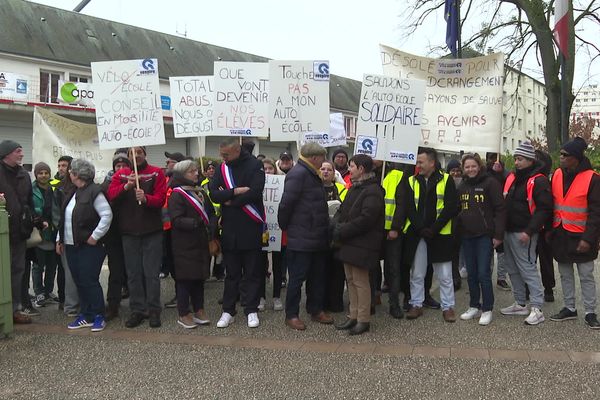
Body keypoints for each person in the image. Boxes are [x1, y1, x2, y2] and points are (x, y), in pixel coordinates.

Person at [108, 146, 167, 328]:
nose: (136, 156)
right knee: (133, 274)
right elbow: (111, 195)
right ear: (128, 156)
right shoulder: (121, 175)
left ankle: (154, 309)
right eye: (132, 154)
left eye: (139, 152)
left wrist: (147, 198)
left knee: (151, 274)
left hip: (152, 231)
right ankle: (138, 310)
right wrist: (127, 186)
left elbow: (161, 199)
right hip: (129, 232)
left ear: (145, 154)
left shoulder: (156, 173)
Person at [209, 138, 265, 329]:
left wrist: (232, 201)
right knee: (231, 273)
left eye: (226, 154)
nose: (222, 157)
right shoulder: (221, 168)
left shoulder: (255, 165)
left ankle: (251, 309)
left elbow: (256, 192)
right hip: (230, 229)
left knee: (252, 273)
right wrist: (235, 191)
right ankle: (228, 310)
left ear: (237, 150)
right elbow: (213, 193)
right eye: (221, 154)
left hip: (250, 227)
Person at [278, 142, 332, 331]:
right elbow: (286, 205)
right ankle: (291, 315)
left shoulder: (311, 173)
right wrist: (287, 227)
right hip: (301, 236)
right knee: (297, 278)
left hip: (316, 235)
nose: (324, 162)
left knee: (317, 277)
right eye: (323, 158)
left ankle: (315, 309)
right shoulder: (298, 174)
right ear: (315, 158)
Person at [548, 137, 600, 329]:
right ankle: (569, 308)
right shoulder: (557, 175)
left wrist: (588, 238)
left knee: (586, 275)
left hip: (582, 235)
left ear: (576, 158)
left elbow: (596, 213)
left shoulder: (593, 179)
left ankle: (590, 312)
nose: (560, 158)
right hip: (561, 233)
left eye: (565, 155)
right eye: (561, 154)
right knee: (565, 273)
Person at [500, 141, 552, 325]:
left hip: (524, 233)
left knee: (527, 268)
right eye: (515, 158)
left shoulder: (539, 180)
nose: (516, 162)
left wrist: (530, 231)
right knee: (512, 269)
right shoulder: (514, 177)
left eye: (520, 159)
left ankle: (537, 308)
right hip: (509, 231)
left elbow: (544, 209)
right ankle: (521, 303)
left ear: (530, 160)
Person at [403, 147, 458, 322]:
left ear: (432, 163)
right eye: (417, 162)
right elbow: (409, 207)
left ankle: (448, 307)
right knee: (417, 273)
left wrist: (433, 229)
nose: (417, 165)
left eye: (421, 162)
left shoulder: (447, 180)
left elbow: (451, 207)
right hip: (418, 234)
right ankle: (416, 304)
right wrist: (421, 228)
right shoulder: (411, 181)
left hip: (440, 234)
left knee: (445, 274)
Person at [56, 159, 112, 332]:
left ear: (77, 174)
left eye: (71, 171)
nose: (69, 173)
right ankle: (86, 314)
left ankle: (98, 315)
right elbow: (64, 218)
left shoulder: (94, 192)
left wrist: (95, 236)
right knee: (79, 280)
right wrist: (60, 239)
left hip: (89, 246)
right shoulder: (72, 192)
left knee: (89, 280)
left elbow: (107, 215)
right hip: (71, 245)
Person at [334, 155, 385, 335]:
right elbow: (343, 210)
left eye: (352, 166)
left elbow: (367, 219)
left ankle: (363, 319)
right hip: (350, 241)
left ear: (362, 169)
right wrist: (335, 224)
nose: (350, 169)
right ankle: (353, 315)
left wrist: (342, 229)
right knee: (351, 280)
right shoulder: (356, 187)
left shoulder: (373, 190)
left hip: (363, 242)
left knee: (361, 282)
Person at [456, 154, 506, 326]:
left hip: (484, 236)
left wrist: (498, 235)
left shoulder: (490, 183)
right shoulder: (461, 185)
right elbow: (457, 210)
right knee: (471, 274)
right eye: (467, 167)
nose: (470, 169)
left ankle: (487, 308)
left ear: (479, 166)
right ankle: (473, 305)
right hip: (467, 236)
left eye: (473, 166)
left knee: (484, 273)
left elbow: (500, 210)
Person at [168, 160, 218, 329]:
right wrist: (197, 223)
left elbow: (210, 212)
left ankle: (199, 309)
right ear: (182, 174)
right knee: (185, 279)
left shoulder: (200, 191)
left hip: (201, 241)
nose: (196, 174)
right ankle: (183, 313)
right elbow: (176, 219)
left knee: (199, 278)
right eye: (192, 171)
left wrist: (212, 223)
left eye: (196, 170)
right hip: (184, 243)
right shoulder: (177, 194)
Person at [0, 140, 36, 324]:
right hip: (1, 233)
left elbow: (29, 202)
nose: (22, 154)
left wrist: (35, 219)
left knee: (17, 272)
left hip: (19, 233)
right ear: (6, 154)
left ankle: (14, 310)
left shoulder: (24, 175)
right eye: (18, 151)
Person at [100, 152, 131, 321]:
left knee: (134, 269)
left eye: (123, 166)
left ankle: (139, 302)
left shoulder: (136, 182)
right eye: (117, 166)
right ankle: (113, 304)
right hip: (114, 234)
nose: (120, 169)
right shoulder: (106, 185)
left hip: (132, 231)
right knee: (116, 270)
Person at [50, 155, 79, 317]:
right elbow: (56, 214)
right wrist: (59, 235)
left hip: (77, 236)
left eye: (65, 166)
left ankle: (77, 301)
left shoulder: (78, 186)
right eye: (59, 165)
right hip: (62, 235)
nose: (61, 168)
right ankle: (66, 301)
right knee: (64, 270)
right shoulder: (57, 187)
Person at [31, 162, 59, 307]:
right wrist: (39, 220)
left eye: (46, 172)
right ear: (36, 174)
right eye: (40, 173)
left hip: (54, 232)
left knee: (52, 265)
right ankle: (39, 293)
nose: (43, 175)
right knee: (38, 265)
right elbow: (29, 207)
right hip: (39, 231)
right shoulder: (31, 188)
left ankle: (48, 291)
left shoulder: (56, 185)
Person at [320, 160, 346, 313]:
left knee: (337, 272)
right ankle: (320, 303)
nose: (325, 172)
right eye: (322, 169)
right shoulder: (313, 188)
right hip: (320, 235)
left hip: (337, 236)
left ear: (334, 173)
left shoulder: (342, 189)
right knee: (320, 271)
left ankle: (336, 303)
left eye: (329, 169)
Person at [260, 158, 284, 311]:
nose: (267, 172)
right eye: (264, 169)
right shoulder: (255, 184)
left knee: (278, 265)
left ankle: (276, 296)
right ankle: (261, 296)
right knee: (260, 265)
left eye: (270, 169)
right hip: (261, 230)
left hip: (277, 230)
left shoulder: (281, 184)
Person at [383, 163, 407, 319]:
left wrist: (395, 227)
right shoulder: (379, 173)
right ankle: (373, 299)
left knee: (393, 268)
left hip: (391, 230)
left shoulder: (398, 176)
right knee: (376, 268)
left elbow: (401, 204)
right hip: (376, 230)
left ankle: (394, 304)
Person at [486, 153, 511, 291]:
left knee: (502, 250)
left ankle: (501, 277)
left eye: (495, 157)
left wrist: (500, 172)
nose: (493, 161)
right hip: (488, 216)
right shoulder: (484, 174)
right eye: (490, 158)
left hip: (502, 214)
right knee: (488, 249)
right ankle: (486, 277)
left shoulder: (506, 174)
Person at [535, 149, 556, 302]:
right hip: (531, 226)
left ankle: (548, 288)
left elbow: (549, 207)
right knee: (529, 260)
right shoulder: (527, 177)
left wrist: (549, 228)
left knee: (545, 259)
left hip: (544, 228)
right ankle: (530, 287)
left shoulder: (545, 180)